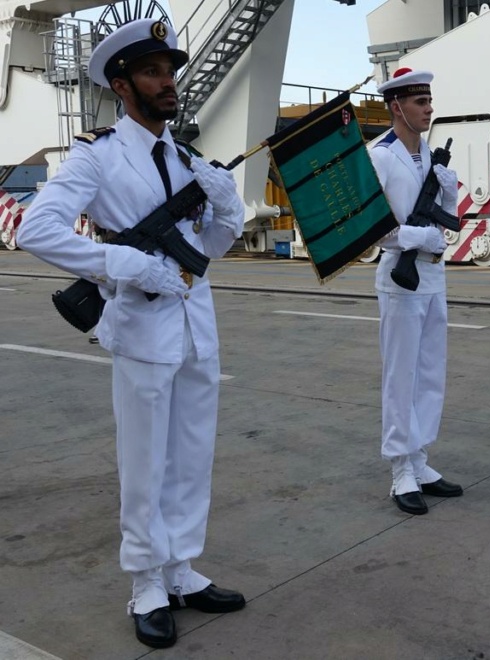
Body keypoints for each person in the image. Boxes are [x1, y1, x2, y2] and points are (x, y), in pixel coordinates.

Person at [17, 19, 245, 649]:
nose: (168, 82)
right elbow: (35, 230)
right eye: (152, 72)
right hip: (143, 327)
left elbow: (209, 249)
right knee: (145, 462)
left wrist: (226, 208)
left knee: (192, 455)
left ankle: (182, 570)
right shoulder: (97, 154)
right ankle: (146, 583)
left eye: (170, 70)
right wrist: (121, 262)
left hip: (197, 326)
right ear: (122, 85)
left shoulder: (187, 157)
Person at [369, 68, 463, 516]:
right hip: (399, 277)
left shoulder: (430, 157)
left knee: (430, 372)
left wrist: (447, 199)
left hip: (433, 275)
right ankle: (400, 469)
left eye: (429, 100)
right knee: (400, 376)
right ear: (396, 107)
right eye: (419, 102)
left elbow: (447, 221)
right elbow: (373, 229)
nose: (428, 108)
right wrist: (413, 238)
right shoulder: (382, 156)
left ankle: (421, 458)